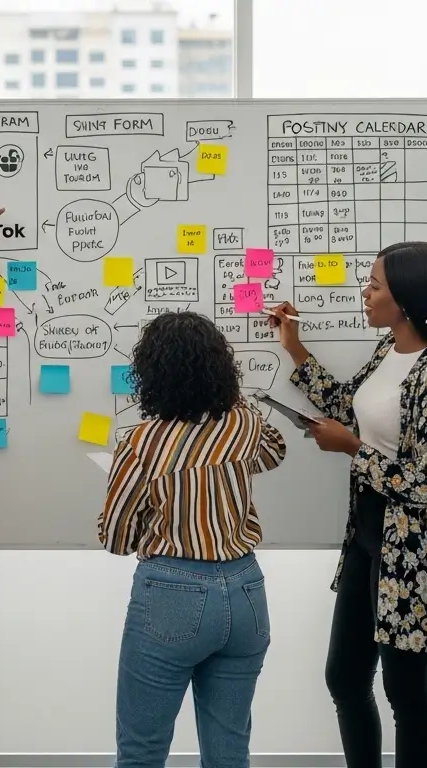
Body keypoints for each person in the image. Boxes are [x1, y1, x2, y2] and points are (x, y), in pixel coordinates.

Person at [271, 242, 427, 768]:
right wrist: (295, 350)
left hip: (413, 557)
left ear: (404, 299)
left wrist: (353, 449)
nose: (365, 292)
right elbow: (348, 407)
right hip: (368, 540)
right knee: (344, 677)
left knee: (407, 693)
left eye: (375, 284)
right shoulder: (389, 352)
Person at [99, 311, 286, 767]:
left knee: (142, 750)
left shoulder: (140, 442)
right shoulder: (243, 424)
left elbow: (117, 537)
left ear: (151, 376)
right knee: (229, 752)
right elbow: (275, 452)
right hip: (246, 590)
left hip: (171, 592)